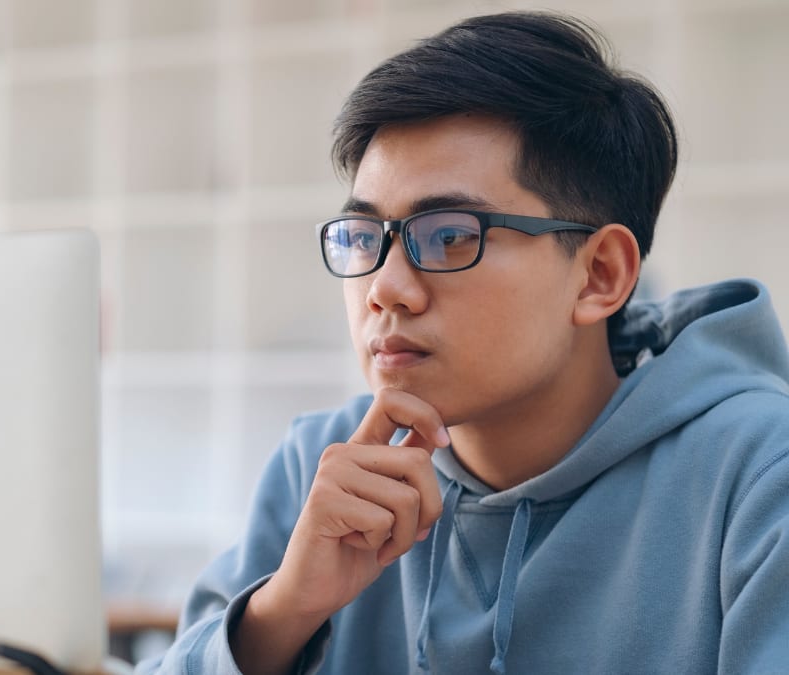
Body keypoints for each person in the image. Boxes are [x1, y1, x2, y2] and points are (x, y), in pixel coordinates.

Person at [135, 10, 789, 675]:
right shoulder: (325, 466)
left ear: (600, 274)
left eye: (449, 236)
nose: (386, 290)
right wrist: (280, 614)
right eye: (364, 238)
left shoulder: (760, 476)